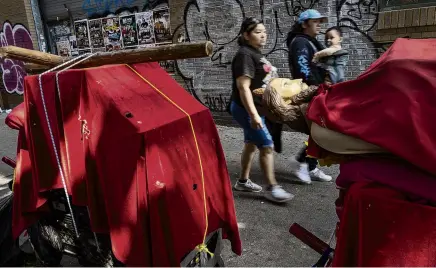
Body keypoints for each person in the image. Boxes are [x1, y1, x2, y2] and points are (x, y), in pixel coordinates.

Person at [229, 17, 294, 203]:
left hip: (258, 109)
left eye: (264, 31)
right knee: (266, 145)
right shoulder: (244, 55)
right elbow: (243, 87)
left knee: (251, 144)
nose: (263, 35)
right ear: (246, 35)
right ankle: (272, 188)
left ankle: (242, 181)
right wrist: (253, 115)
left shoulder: (255, 53)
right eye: (257, 32)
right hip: (246, 109)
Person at [286, 9, 333, 184]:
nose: (319, 25)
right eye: (315, 22)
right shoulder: (300, 42)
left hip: (318, 90)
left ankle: (308, 164)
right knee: (321, 130)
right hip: (311, 91)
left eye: (320, 21)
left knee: (320, 130)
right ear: (304, 24)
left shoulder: (310, 42)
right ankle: (302, 162)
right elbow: (302, 69)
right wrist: (317, 86)